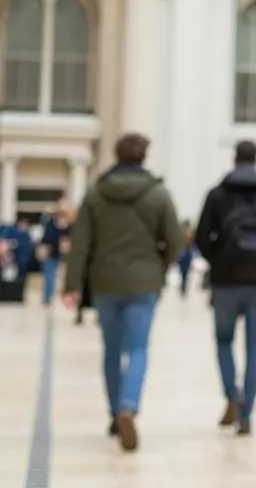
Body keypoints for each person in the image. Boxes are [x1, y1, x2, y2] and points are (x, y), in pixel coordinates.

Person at [62, 133, 185, 452]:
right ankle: (129, 405)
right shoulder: (158, 194)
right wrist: (159, 266)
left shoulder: (96, 193)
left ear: (117, 156)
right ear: (144, 157)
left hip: (105, 282)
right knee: (139, 349)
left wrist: (71, 285)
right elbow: (176, 240)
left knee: (111, 351)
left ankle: (115, 414)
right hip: (144, 282)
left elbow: (80, 244)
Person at [194, 140, 256, 435]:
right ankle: (247, 415)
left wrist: (217, 261)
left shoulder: (216, 194)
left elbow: (201, 237)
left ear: (234, 159)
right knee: (254, 348)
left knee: (223, 342)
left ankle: (232, 396)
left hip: (225, 283)